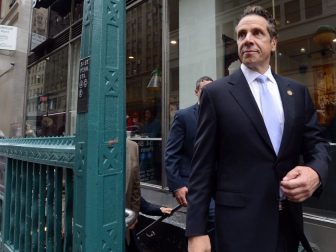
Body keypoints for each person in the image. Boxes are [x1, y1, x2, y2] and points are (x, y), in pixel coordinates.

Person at [186, 6, 329, 252]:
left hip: (288, 225)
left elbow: (317, 145)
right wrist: (196, 231)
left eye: (256, 33)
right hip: (238, 227)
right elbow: (202, 167)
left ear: (273, 43)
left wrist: (316, 172)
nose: (247, 39)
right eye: (242, 35)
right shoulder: (216, 94)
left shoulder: (296, 92)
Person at [165, 76, 215, 250]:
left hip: (220, 184)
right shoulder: (183, 116)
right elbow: (171, 154)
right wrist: (177, 185)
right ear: (196, 92)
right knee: (211, 219)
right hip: (193, 185)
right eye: (204, 89)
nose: (208, 93)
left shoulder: (222, 115)